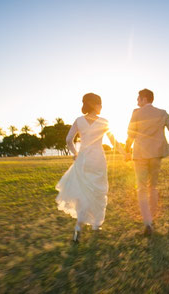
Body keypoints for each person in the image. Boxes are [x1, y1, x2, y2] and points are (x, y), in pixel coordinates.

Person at [55, 93, 124, 243]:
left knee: (83, 192)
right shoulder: (104, 122)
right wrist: (124, 153)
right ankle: (96, 225)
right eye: (100, 103)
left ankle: (79, 226)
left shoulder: (79, 121)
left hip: (83, 160)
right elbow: (114, 142)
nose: (101, 107)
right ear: (95, 104)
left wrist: (75, 153)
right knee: (98, 192)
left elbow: (68, 140)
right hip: (98, 160)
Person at [125, 89, 169, 236]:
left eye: (138, 99)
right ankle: (152, 218)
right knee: (153, 187)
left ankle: (147, 222)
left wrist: (126, 150)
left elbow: (130, 134)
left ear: (144, 99)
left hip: (140, 154)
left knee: (141, 188)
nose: (137, 101)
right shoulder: (162, 113)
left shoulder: (136, 113)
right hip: (156, 155)